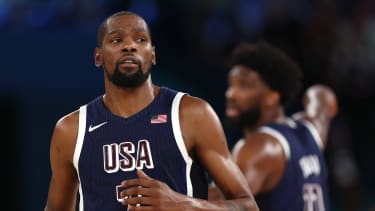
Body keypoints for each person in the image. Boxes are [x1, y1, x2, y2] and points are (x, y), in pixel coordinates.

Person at [43, 11, 259, 211]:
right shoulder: (70, 130)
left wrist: (182, 204)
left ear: (153, 55)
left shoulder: (191, 113)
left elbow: (248, 206)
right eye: (117, 40)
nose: (129, 46)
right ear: (98, 57)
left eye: (140, 39)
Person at [208, 41, 338, 211]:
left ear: (272, 97)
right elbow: (324, 99)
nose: (231, 94)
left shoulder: (262, 148)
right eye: (231, 84)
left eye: (244, 85)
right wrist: (314, 94)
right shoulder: (311, 130)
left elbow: (220, 205)